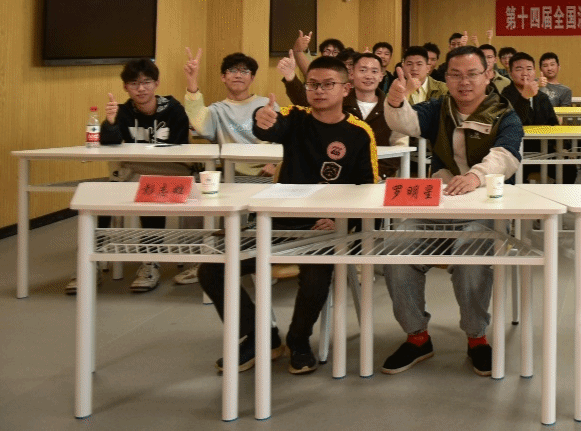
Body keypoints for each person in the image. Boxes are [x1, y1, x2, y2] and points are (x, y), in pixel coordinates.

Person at [198, 56, 378, 375]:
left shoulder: (360, 133)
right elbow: (269, 127)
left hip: (325, 229)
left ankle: (298, 340)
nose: (319, 91)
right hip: (277, 224)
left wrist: (342, 221)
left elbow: (368, 190)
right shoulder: (295, 117)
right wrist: (262, 120)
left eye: (328, 84)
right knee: (212, 269)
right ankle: (260, 337)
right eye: (313, 84)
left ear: (346, 88)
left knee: (316, 275)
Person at [380, 46, 523, 377]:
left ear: (488, 75)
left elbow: (506, 155)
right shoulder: (438, 108)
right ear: (446, 78)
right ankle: (417, 337)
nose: (464, 82)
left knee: (471, 252)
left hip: (485, 207)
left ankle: (476, 338)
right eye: (455, 75)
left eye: (472, 74)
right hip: (440, 204)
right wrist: (396, 101)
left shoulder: (505, 114)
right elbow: (407, 123)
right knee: (396, 247)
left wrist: (475, 176)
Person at [97, 57, 192, 293]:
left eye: (146, 82)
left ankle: (150, 261)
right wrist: (110, 123)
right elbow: (108, 144)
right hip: (135, 172)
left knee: (151, 192)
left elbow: (181, 148)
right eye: (134, 84)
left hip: (172, 171)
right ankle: (92, 260)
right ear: (125, 87)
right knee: (100, 198)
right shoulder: (122, 111)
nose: (141, 89)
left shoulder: (174, 110)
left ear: (156, 84)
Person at [181, 48, 272, 286]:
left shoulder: (265, 104)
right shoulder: (217, 110)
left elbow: (283, 137)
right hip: (229, 177)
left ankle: (260, 263)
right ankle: (202, 261)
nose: (238, 75)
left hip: (265, 175)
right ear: (223, 77)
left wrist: (273, 163)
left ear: (252, 77)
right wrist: (192, 82)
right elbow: (200, 124)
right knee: (194, 198)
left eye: (245, 71)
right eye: (232, 70)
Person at [502, 52, 567, 183]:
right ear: (510, 73)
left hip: (543, 150)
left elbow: (553, 124)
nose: (525, 73)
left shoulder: (542, 97)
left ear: (535, 72)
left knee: (568, 170)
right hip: (516, 151)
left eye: (529, 69)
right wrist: (524, 98)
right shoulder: (504, 96)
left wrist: (562, 146)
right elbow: (512, 125)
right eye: (519, 69)